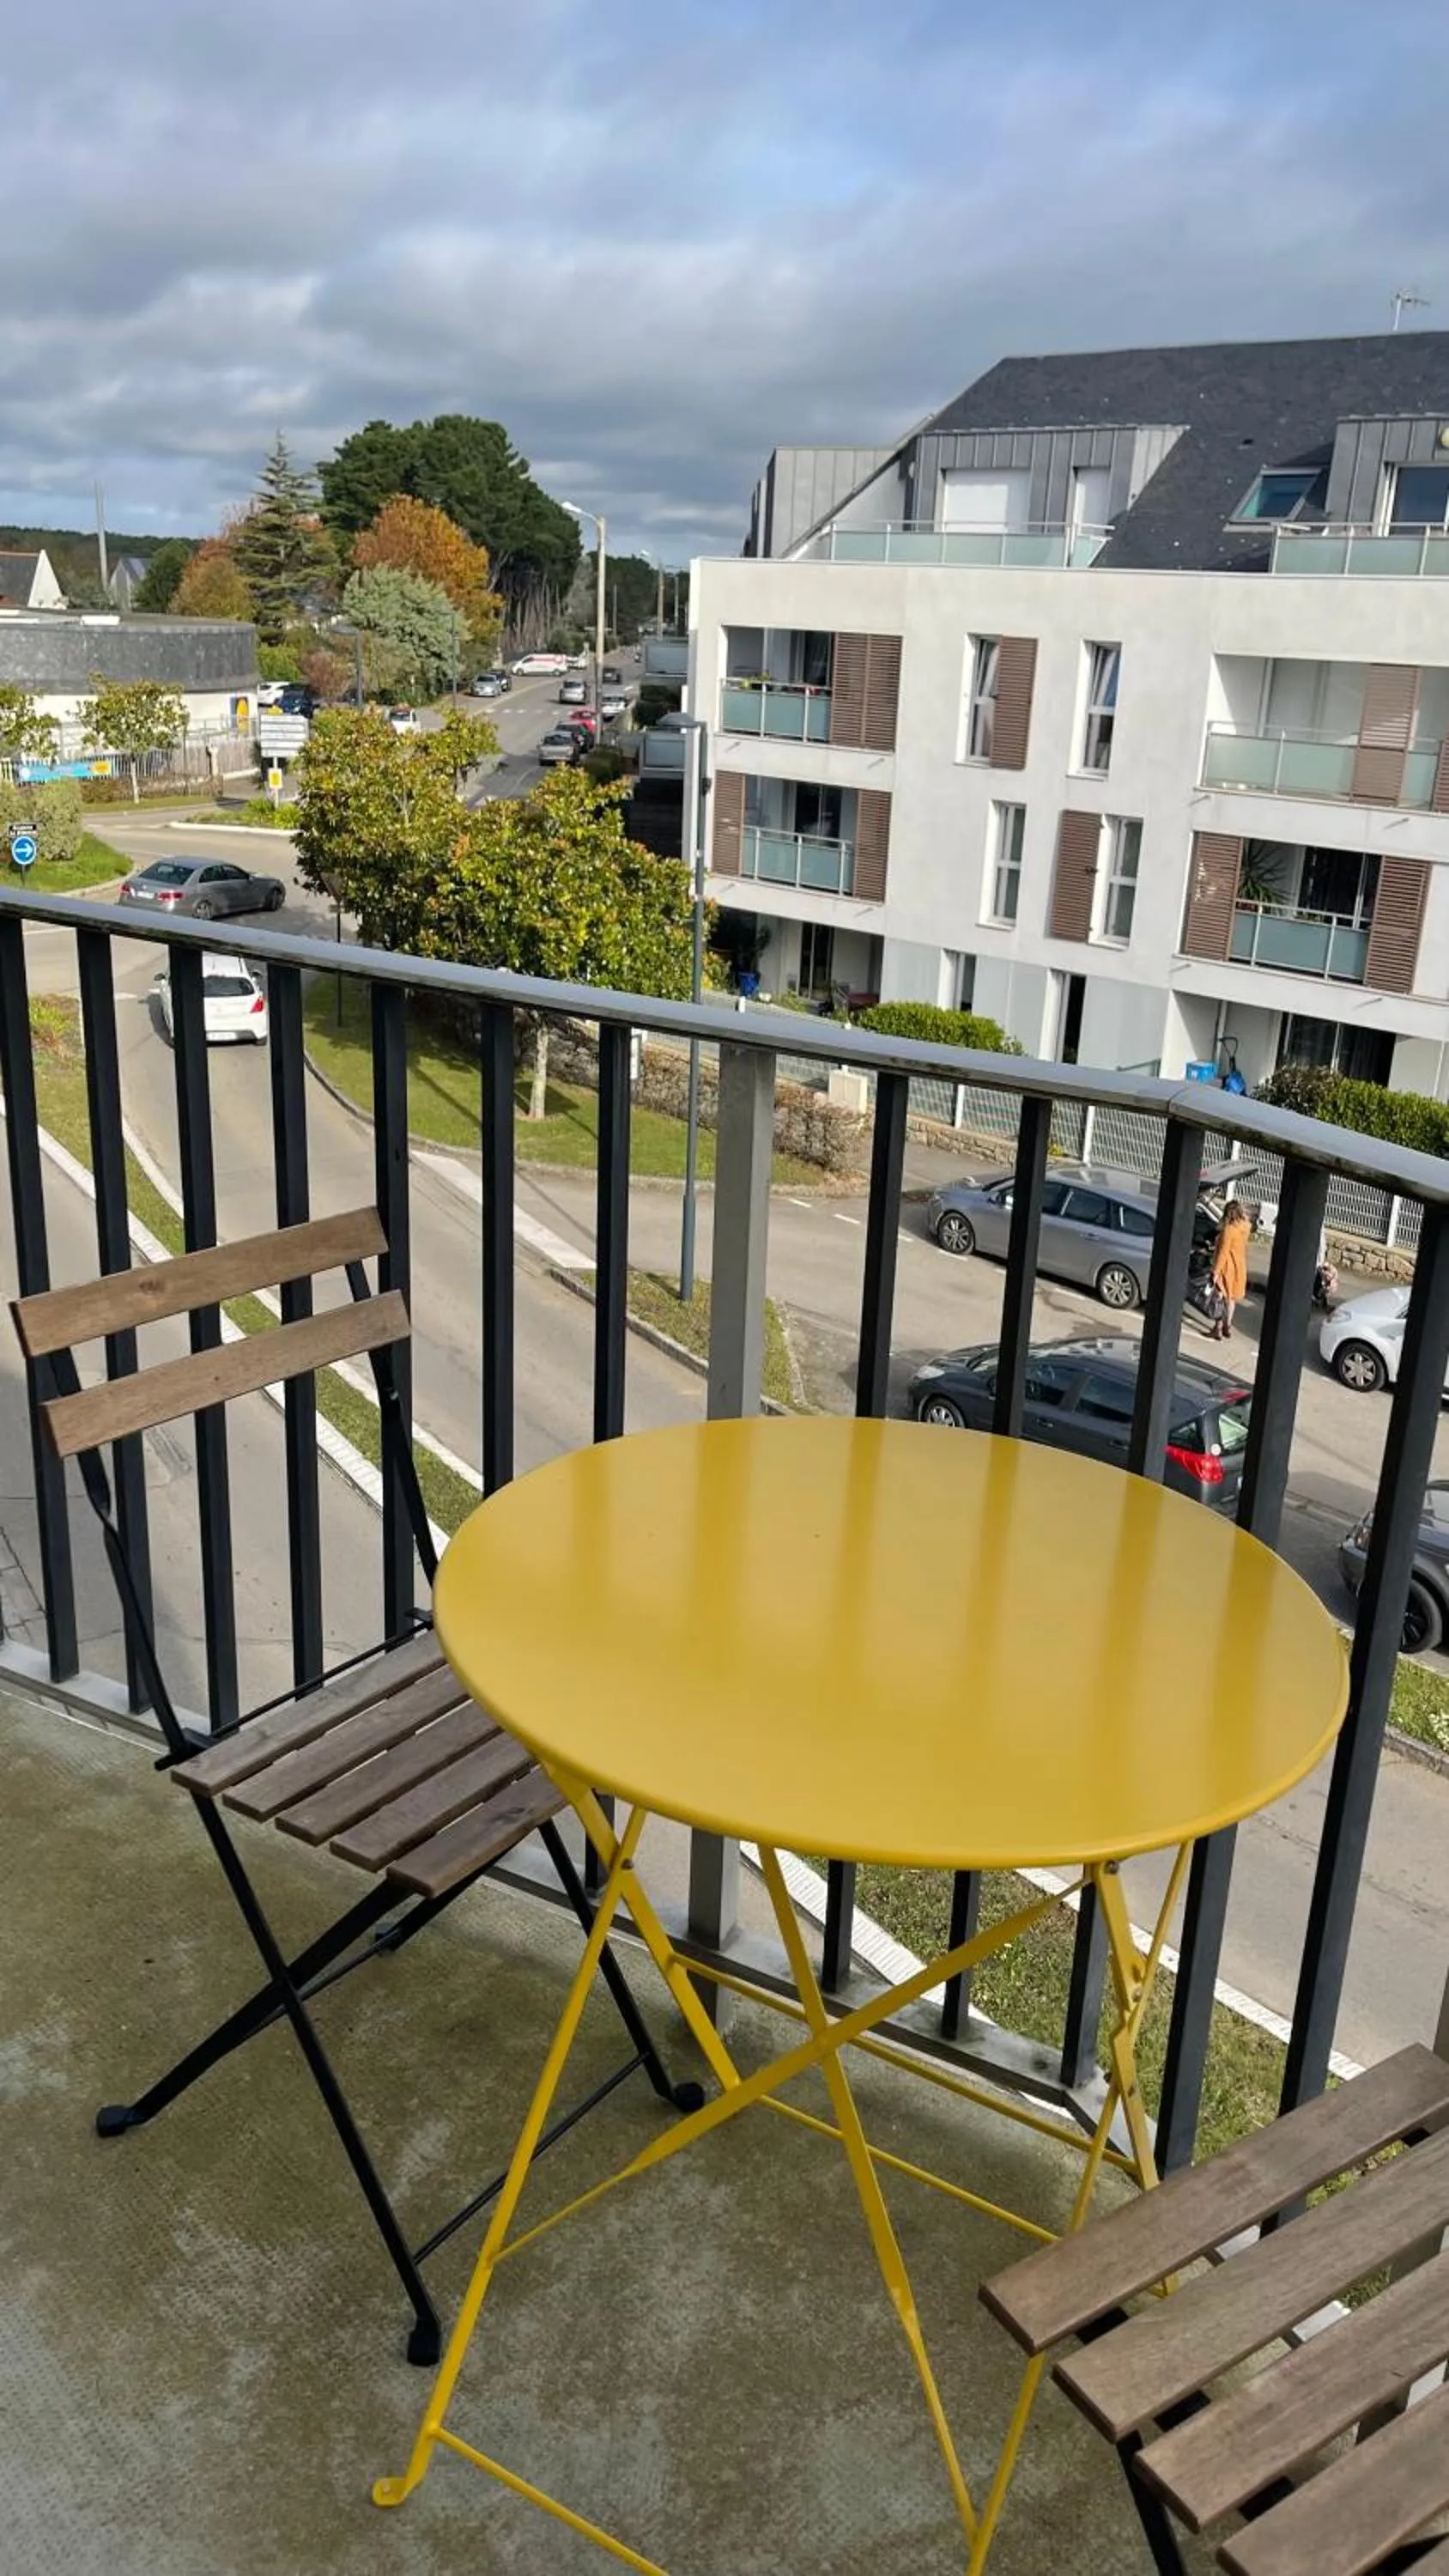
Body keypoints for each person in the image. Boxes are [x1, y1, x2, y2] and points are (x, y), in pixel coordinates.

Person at [1210, 1199, 1251, 1340]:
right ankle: (1228, 1326)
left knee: (1219, 1297)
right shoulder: (1245, 1227)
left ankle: (1218, 1328)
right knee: (1231, 1299)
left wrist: (1215, 1272)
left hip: (1227, 1268)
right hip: (1239, 1267)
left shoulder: (1229, 1229)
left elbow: (1223, 1252)